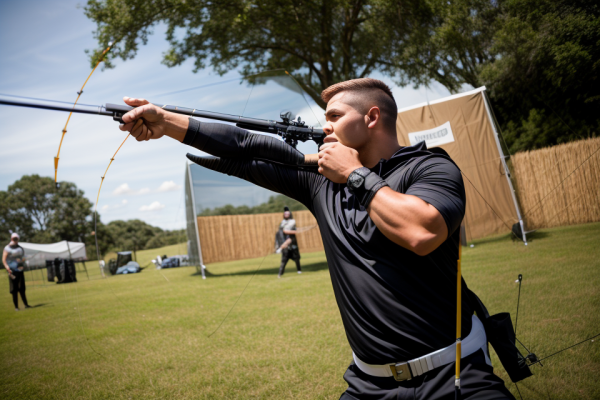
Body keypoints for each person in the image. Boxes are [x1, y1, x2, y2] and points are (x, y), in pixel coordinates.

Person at [118, 78, 515, 399]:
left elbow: (422, 232)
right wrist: (166, 123)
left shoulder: (430, 168)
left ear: (372, 117)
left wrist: (355, 175)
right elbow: (247, 148)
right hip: (369, 385)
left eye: (335, 116)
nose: (324, 126)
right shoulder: (320, 183)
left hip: (454, 373)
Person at [3, 233, 30, 311]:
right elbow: (4, 260)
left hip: (20, 270)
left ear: (18, 239)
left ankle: (26, 305)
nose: (15, 240)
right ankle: (16, 307)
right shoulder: (7, 248)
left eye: (16, 239)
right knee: (14, 289)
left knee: (22, 288)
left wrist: (24, 261)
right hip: (12, 271)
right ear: (11, 239)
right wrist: (7, 267)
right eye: (13, 238)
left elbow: (23, 257)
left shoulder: (20, 248)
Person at [275, 206, 302, 277]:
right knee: (284, 260)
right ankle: (280, 274)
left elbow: (290, 230)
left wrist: (287, 231)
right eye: (285, 214)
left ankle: (299, 270)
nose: (286, 215)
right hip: (286, 245)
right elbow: (282, 231)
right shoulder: (282, 222)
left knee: (296, 258)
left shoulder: (292, 221)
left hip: (292, 243)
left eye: (287, 214)